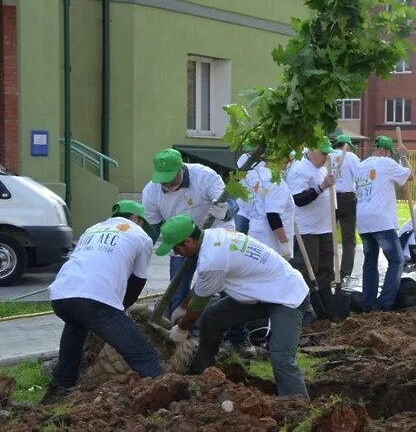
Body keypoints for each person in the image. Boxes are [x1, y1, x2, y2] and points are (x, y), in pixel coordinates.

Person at [159, 215, 312, 398]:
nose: (177, 253)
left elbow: (200, 302)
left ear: (189, 241)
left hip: (288, 296)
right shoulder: (213, 236)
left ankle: (298, 405)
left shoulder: (212, 259)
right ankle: (202, 372)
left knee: (281, 356)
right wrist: (183, 308)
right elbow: (202, 285)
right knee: (212, 317)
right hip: (260, 294)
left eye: (177, 248)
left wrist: (182, 330)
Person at [141, 148, 253, 356]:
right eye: (162, 180)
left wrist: (226, 210)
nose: (166, 184)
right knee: (178, 292)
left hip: (217, 238)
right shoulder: (151, 191)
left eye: (171, 178)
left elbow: (231, 204)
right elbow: (153, 228)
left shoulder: (205, 176)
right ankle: (187, 343)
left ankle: (239, 339)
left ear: (182, 169)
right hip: (180, 242)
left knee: (230, 290)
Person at [46, 201, 163, 396]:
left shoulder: (92, 229)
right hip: (95, 300)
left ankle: (59, 388)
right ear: (136, 218)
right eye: (142, 222)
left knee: (76, 327)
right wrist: (121, 310)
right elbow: (138, 281)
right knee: (144, 355)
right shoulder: (140, 236)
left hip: (61, 295)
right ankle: (168, 395)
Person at [355, 135, 413, 311]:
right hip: (381, 220)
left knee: (370, 262)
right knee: (396, 260)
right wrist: (404, 157)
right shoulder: (386, 163)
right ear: (387, 152)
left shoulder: (361, 166)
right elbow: (409, 176)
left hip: (363, 220)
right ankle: (383, 304)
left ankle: (368, 304)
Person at [286, 137, 338, 320]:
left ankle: (325, 310)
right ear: (313, 149)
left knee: (325, 270)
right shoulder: (300, 168)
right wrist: (322, 186)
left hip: (324, 228)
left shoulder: (322, 168)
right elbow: (298, 199)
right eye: (323, 153)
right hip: (307, 231)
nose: (326, 157)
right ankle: (302, 310)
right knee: (307, 271)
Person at [247, 156, 295, 261]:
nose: (290, 161)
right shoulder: (276, 181)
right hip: (270, 240)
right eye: (286, 156)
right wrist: (284, 244)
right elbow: (273, 215)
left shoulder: (257, 176)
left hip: (255, 231)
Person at [331, 135, 361, 278]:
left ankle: (328, 271)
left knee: (328, 236)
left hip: (330, 197)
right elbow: (359, 177)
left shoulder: (328, 155)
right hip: (348, 198)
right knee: (348, 239)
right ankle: (345, 273)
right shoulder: (351, 157)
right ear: (346, 145)